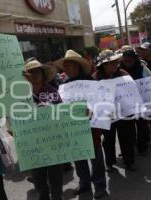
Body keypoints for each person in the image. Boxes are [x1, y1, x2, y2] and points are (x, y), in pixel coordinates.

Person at [55, 50, 107, 199]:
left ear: (77, 66)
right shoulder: (64, 86)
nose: (66, 68)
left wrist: (92, 112)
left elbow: (100, 103)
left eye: (69, 65)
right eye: (65, 66)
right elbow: (62, 107)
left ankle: (100, 186)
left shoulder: (90, 82)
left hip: (91, 127)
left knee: (96, 158)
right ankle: (84, 183)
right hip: (74, 128)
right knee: (78, 157)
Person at [23, 59, 64, 200]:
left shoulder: (52, 92)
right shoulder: (21, 95)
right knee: (39, 181)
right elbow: (16, 117)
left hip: (53, 142)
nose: (33, 74)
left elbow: (63, 114)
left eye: (36, 71)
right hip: (33, 145)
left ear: (42, 74)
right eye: (30, 72)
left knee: (56, 180)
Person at [94, 50, 138, 172]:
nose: (115, 64)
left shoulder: (124, 74)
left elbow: (132, 92)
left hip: (124, 114)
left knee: (127, 138)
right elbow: (92, 97)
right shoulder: (96, 78)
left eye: (115, 61)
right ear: (103, 65)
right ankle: (109, 162)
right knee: (108, 140)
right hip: (106, 115)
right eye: (111, 62)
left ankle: (129, 162)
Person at [120, 48, 151, 156]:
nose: (128, 62)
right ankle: (131, 146)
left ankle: (142, 147)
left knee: (142, 126)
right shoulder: (119, 70)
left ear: (135, 59)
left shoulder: (142, 68)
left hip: (140, 103)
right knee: (128, 129)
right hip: (126, 105)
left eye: (130, 60)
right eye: (126, 60)